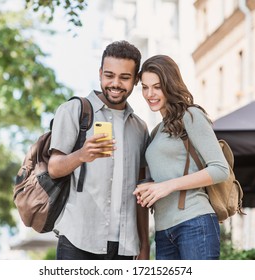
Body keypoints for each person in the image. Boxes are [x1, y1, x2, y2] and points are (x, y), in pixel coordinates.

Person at [48, 40, 150, 260]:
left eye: (124, 77)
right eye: (109, 75)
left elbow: (141, 192)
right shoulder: (75, 110)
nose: (115, 83)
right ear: (100, 73)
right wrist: (81, 155)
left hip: (125, 246)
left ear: (135, 80)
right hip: (78, 239)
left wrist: (144, 245)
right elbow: (54, 168)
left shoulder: (140, 128)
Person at [133, 55, 229, 260]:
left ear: (170, 84)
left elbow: (220, 169)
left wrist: (167, 185)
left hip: (194, 223)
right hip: (162, 230)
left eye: (157, 87)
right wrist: (149, 187)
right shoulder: (157, 130)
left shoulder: (191, 116)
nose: (150, 94)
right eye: (145, 87)